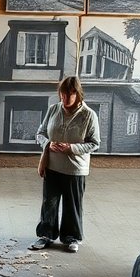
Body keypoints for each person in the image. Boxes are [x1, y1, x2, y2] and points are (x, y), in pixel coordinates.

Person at [30, 75, 100, 254]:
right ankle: (46, 235)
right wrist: (48, 143)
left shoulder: (88, 115)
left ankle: (71, 237)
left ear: (78, 94)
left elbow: (94, 143)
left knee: (72, 205)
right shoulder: (53, 109)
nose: (66, 98)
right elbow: (40, 133)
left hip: (75, 169)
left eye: (70, 94)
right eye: (63, 93)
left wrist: (71, 148)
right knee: (49, 203)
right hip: (52, 166)